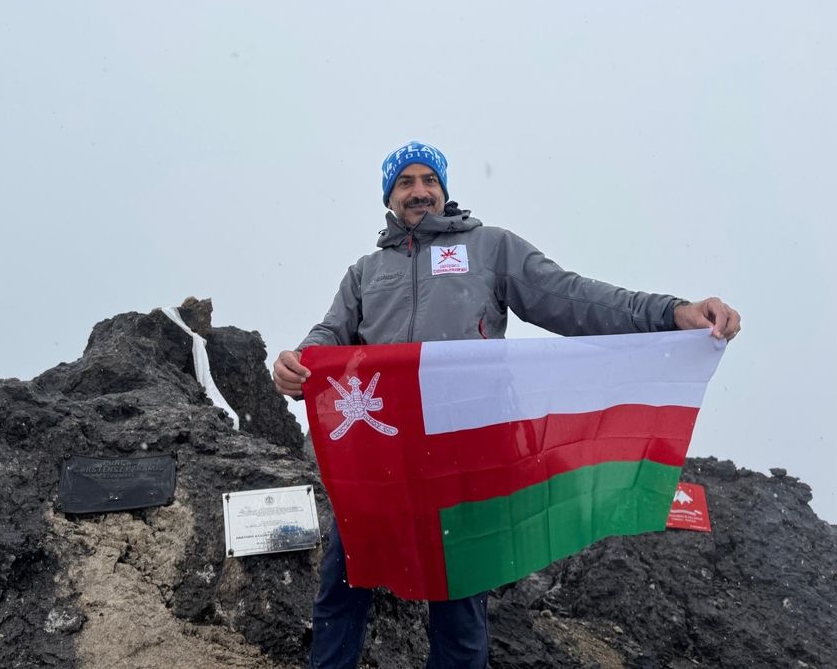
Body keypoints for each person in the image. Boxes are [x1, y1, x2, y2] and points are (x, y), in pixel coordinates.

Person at [273, 141, 741, 669]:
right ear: (389, 196)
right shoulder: (365, 271)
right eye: (405, 182)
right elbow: (332, 334)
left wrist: (672, 313)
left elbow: (574, 298)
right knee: (342, 585)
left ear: (444, 190)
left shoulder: (489, 247)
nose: (419, 191)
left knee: (458, 605)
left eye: (430, 180)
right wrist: (301, 359)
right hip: (383, 460)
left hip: (463, 456)